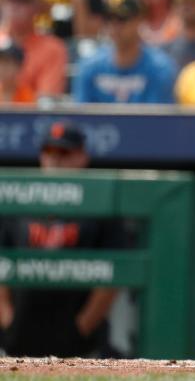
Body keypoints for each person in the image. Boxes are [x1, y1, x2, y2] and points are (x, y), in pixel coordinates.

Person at [0, 121, 124, 357]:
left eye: (64, 152)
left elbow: (113, 277)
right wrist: (8, 320)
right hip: (20, 335)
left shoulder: (101, 206)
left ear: (82, 157)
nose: (55, 160)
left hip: (80, 342)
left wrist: (81, 328)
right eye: (49, 152)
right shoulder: (18, 202)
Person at [72, 0, 177, 104]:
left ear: (139, 20)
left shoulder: (160, 68)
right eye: (109, 19)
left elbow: (158, 118)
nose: (114, 26)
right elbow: (81, 116)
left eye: (121, 19)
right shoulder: (89, 67)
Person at [0, 0, 67, 100]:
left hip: (31, 119)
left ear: (38, 7)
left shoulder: (52, 48)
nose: (14, 5)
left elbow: (46, 104)